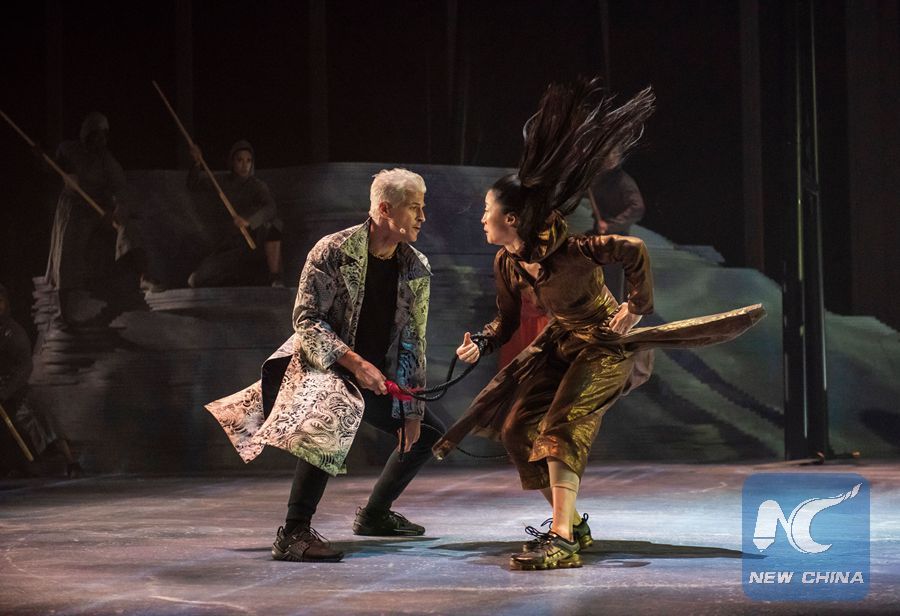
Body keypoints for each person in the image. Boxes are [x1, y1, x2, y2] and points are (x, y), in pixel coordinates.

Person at [435, 78, 765, 571]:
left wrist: (635, 307)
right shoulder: (508, 262)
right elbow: (506, 320)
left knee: (563, 424)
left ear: (514, 219)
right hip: (563, 341)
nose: (482, 218)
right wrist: (480, 343)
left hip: (606, 345)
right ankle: (571, 525)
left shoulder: (573, 250)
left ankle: (561, 539)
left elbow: (633, 249)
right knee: (517, 430)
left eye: (488, 211)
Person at [206, 168, 439, 563]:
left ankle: (374, 514)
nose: (422, 217)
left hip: (374, 375)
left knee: (427, 433)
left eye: (422, 207)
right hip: (322, 366)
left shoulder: (416, 266)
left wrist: (411, 409)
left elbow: (412, 342)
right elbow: (307, 321)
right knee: (333, 413)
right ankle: (293, 533)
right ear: (385, 209)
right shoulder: (332, 251)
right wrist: (355, 363)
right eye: (414, 207)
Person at [45, 112, 128, 324]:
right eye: (96, 135)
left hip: (95, 209)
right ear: (87, 135)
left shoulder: (107, 161)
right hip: (72, 208)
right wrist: (43, 158)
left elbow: (119, 189)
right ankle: (67, 303)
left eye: (104, 135)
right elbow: (54, 168)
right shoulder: (68, 149)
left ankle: (98, 300)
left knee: (116, 237)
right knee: (68, 248)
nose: (100, 140)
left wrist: (115, 209)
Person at [0, 284, 81, 477]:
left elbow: (24, 368)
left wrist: (4, 393)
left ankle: (69, 462)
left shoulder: (14, 332)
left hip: (15, 392)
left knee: (39, 416)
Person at [186, 140, 284, 288]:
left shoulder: (257, 186)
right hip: (231, 246)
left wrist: (249, 221)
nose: (245, 165)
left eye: (248, 161)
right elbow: (193, 184)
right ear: (232, 162)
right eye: (240, 160)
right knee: (197, 280)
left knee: (275, 226)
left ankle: (275, 277)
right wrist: (197, 163)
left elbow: (270, 208)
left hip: (254, 244)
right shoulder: (222, 182)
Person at [587, 156, 646, 302]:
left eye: (613, 156)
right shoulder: (600, 178)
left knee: (612, 280)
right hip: (600, 236)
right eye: (607, 156)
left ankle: (614, 311)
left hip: (616, 240)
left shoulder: (624, 181)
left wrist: (611, 225)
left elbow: (637, 207)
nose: (608, 159)